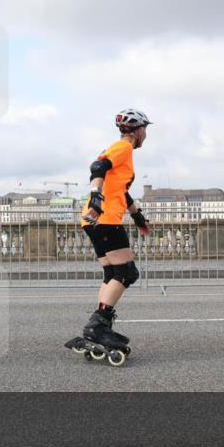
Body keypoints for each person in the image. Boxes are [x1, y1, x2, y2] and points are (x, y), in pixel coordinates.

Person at [64, 108, 153, 357]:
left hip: (94, 221)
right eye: (145, 128)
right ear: (136, 130)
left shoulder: (122, 153)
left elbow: (121, 191)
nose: (146, 133)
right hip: (105, 219)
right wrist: (96, 197)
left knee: (111, 272)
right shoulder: (123, 147)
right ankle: (98, 325)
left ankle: (100, 324)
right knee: (127, 272)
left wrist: (138, 217)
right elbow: (97, 167)